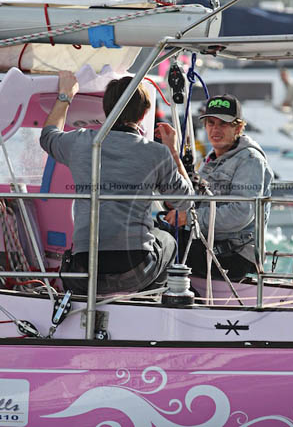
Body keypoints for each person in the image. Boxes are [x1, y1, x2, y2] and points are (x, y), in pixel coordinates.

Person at [40, 71, 193, 295]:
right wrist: (172, 150)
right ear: (144, 114)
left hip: (84, 271)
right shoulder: (156, 153)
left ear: (106, 109)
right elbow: (186, 200)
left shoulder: (80, 142)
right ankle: (148, 303)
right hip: (136, 271)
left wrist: (65, 96)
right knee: (168, 240)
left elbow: (48, 136)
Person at [163, 94, 274, 281]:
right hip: (212, 247)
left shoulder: (251, 160)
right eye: (211, 123)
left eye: (223, 124)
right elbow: (193, 198)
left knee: (163, 247)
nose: (215, 130)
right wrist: (172, 151)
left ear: (238, 128)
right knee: (159, 236)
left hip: (235, 255)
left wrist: (188, 218)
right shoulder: (213, 160)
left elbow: (241, 213)